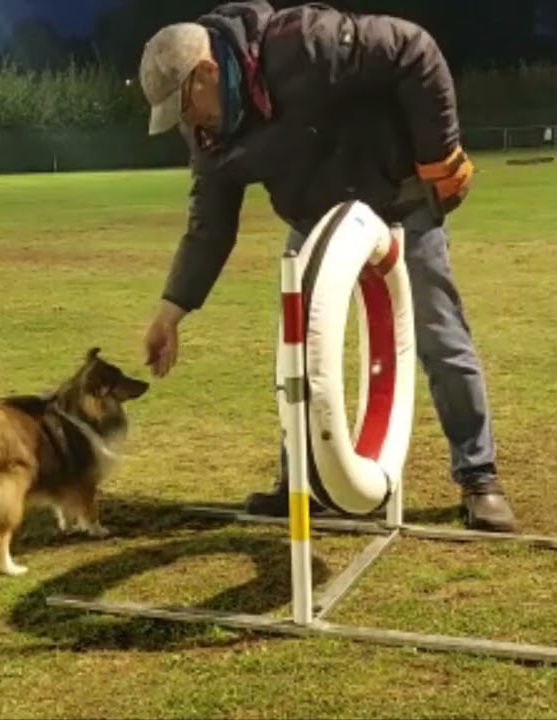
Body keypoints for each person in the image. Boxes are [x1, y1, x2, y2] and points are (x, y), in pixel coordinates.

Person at [136, 1, 515, 532]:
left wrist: (439, 155)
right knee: (298, 350)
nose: (188, 123)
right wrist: (169, 312)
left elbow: (413, 49)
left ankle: (480, 478)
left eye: (184, 106)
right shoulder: (208, 135)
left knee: (439, 338)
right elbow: (209, 226)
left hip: (398, 199)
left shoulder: (302, 43)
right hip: (316, 216)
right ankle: (303, 483)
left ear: (206, 73)